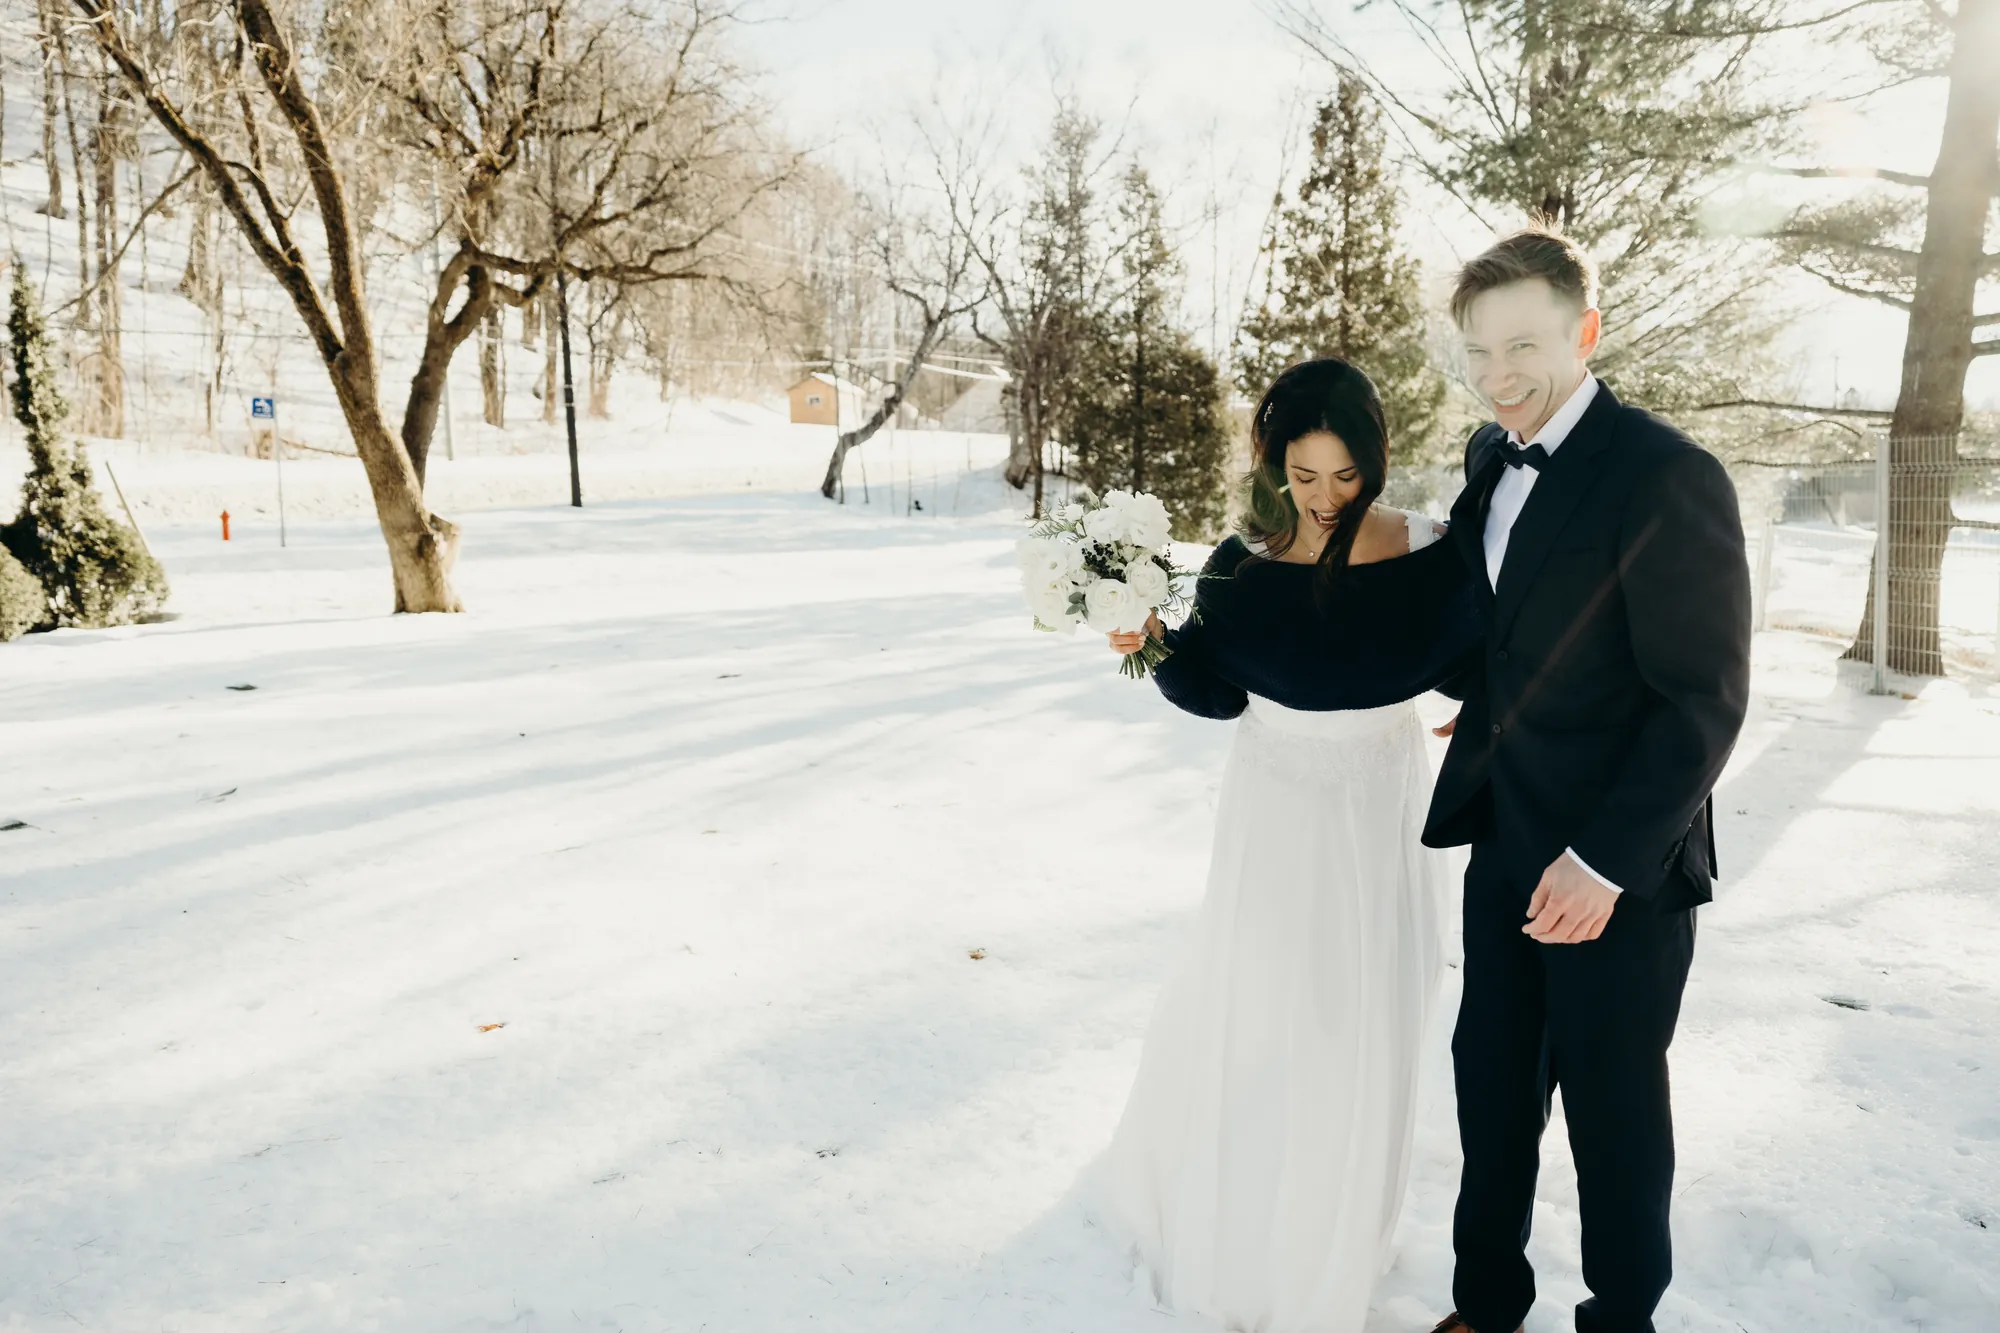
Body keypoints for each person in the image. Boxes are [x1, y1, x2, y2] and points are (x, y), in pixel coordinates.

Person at [1089, 357, 1480, 1333]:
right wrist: (1148, 642)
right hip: (1274, 811)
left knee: (1362, 1016)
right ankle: (1244, 1213)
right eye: (1302, 476)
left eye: (1345, 476)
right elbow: (1216, 689)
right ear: (1274, 467)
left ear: (1376, 460)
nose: (1324, 498)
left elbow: (1475, 663)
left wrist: (1490, 712)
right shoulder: (1241, 564)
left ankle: (1336, 1224)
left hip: (1382, 811)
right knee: (1266, 1006)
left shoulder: (1432, 554)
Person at [1420, 226, 1752, 1333]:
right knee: (1490, 1091)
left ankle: (1620, 1318)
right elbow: (1506, 623)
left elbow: (1701, 698)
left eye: (1522, 344)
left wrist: (1603, 862)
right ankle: (1484, 1306)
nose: (1497, 374)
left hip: (1620, 868)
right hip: (1503, 839)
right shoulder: (1488, 458)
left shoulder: (1666, 474)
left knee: (1613, 1119)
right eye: (1478, 351)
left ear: (1585, 332)